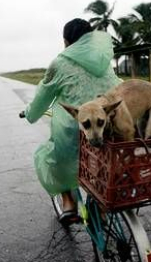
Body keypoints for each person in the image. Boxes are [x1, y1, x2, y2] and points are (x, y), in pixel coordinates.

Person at [23, 18, 121, 223]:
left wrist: (30, 114)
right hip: (109, 127)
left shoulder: (59, 63)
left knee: (50, 156)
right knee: (102, 160)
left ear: (66, 42)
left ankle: (68, 202)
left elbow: (41, 99)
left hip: (76, 133)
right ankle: (101, 209)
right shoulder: (104, 61)